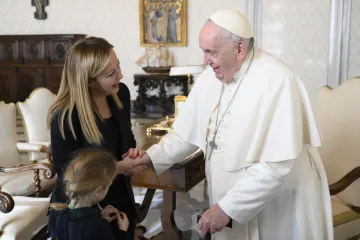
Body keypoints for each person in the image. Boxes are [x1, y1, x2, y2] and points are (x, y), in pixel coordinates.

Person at [136, 9, 334, 240]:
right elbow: (185, 134)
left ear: (239, 49)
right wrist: (150, 158)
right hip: (231, 194)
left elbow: (275, 166)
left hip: (282, 200)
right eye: (203, 51)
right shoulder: (213, 73)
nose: (205, 60)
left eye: (211, 52)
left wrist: (226, 208)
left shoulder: (279, 80)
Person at [47, 36, 147, 239]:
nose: (120, 75)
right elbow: (68, 172)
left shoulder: (121, 94)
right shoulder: (65, 114)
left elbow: (126, 140)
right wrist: (119, 167)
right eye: (111, 73)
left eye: (118, 66)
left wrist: (132, 154)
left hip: (118, 195)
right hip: (80, 212)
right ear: (89, 81)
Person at [50, 148, 129, 240]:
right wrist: (123, 231)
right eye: (109, 185)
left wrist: (103, 220)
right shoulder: (99, 228)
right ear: (98, 191)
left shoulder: (61, 216)